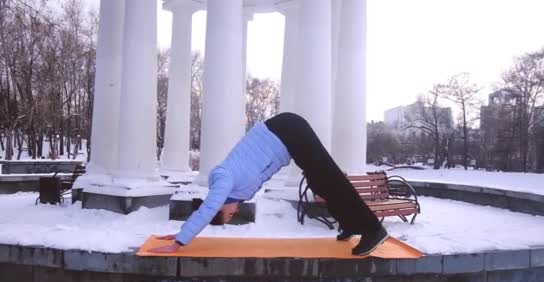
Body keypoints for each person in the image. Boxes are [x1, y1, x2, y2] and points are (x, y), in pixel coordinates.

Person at [148, 112, 389, 256]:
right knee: (320, 181)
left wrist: (179, 242)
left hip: (287, 131)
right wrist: (176, 233)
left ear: (220, 205)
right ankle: (350, 223)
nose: (234, 214)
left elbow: (207, 209)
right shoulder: (235, 192)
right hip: (286, 137)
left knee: (329, 177)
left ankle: (372, 230)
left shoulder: (221, 181)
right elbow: (205, 212)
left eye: (228, 216)